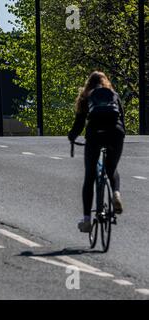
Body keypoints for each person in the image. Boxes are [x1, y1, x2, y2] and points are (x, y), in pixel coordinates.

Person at [68, 71, 125, 233]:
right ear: (106, 82)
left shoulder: (86, 97)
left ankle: (87, 220)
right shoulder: (113, 95)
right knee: (112, 167)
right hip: (116, 132)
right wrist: (120, 137)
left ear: (88, 84)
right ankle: (116, 193)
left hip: (95, 134)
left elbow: (79, 125)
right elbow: (122, 119)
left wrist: (72, 137)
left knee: (90, 176)